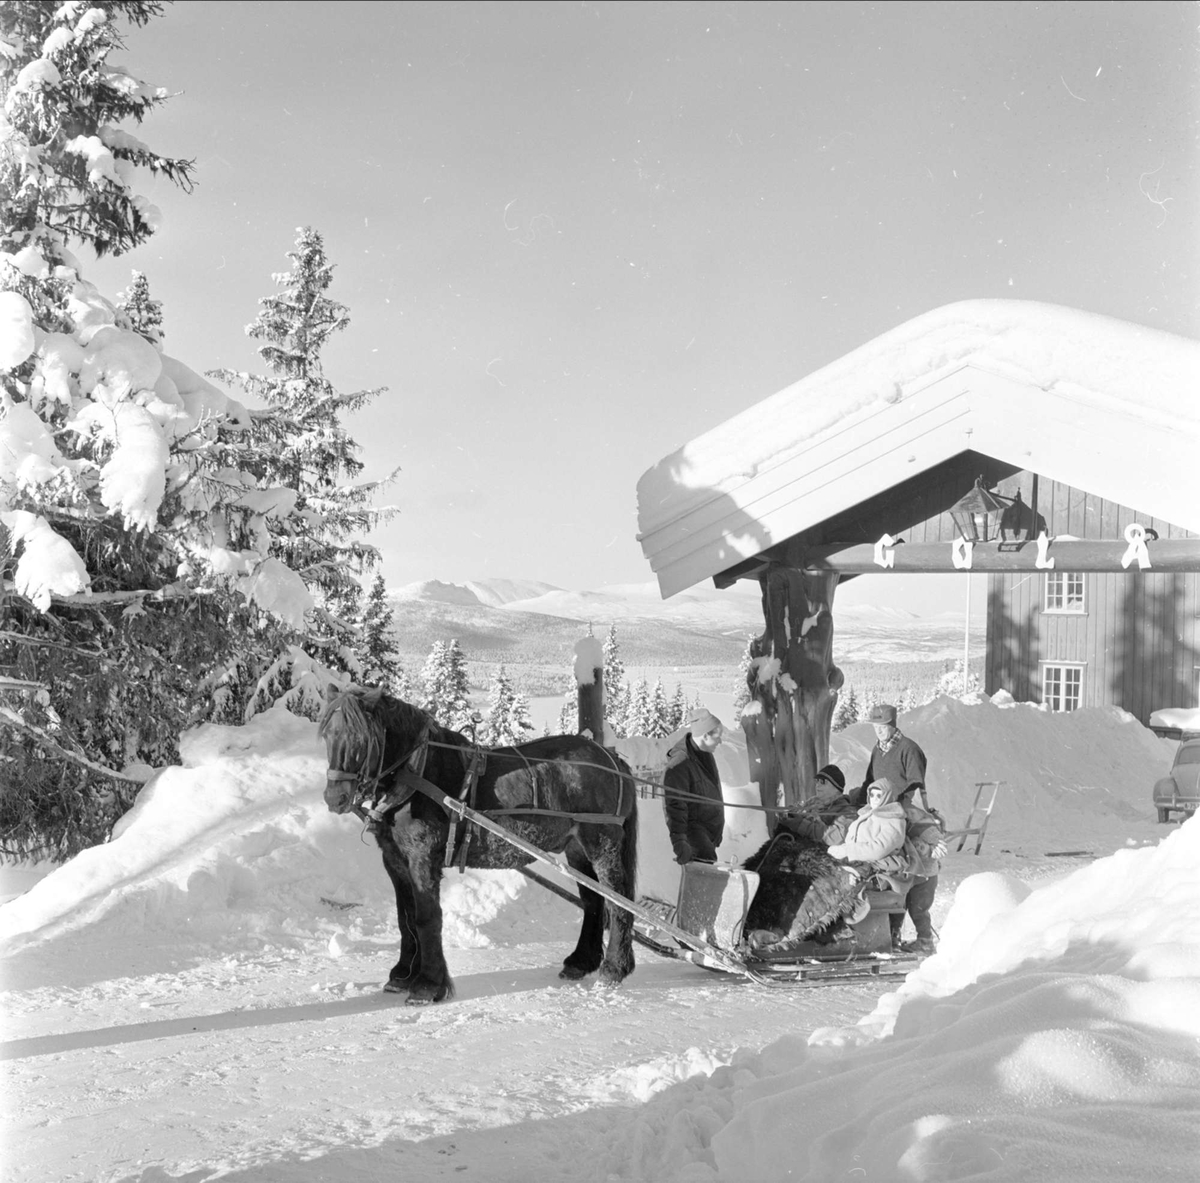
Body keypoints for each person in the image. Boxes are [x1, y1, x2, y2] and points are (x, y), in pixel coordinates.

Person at [889, 782, 948, 956]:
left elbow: (941, 848)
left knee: (919, 908)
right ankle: (893, 938)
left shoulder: (921, 821)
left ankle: (925, 940)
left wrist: (925, 848)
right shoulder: (896, 815)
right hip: (909, 873)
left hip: (925, 875)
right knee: (899, 905)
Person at [664, 709, 726, 865]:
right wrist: (680, 842)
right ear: (705, 735)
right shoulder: (680, 764)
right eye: (718, 737)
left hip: (706, 836)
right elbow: (674, 806)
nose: (720, 741)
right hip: (694, 840)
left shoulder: (704, 755)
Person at [846, 703, 927, 809]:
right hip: (878, 805)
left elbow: (915, 784)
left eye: (882, 727)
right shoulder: (877, 750)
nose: (878, 731)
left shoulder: (910, 749)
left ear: (893, 725)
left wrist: (894, 802)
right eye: (875, 727)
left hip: (900, 810)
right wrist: (860, 804)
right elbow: (870, 781)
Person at [824, 778, 908, 867]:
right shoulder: (866, 814)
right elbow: (851, 840)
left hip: (879, 866)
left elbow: (879, 849)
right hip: (857, 861)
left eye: (879, 796)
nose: (874, 799)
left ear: (888, 797)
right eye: (872, 795)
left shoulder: (894, 819)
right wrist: (840, 849)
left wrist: (847, 851)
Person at [777, 764, 856, 840]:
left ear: (836, 787)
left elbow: (836, 837)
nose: (817, 785)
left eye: (822, 782)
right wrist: (790, 816)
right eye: (817, 781)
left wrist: (801, 825)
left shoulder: (847, 811)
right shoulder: (812, 802)